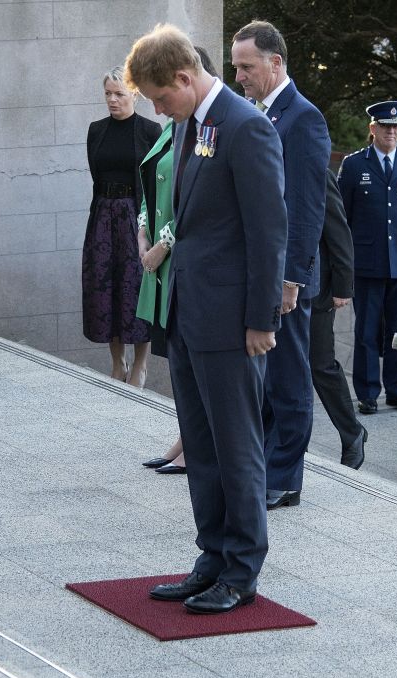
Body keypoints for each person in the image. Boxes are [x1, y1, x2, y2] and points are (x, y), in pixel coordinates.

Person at [125, 24, 287, 614]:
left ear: (185, 78)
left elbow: (269, 232)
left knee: (237, 445)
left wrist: (261, 318)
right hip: (189, 313)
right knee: (200, 441)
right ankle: (211, 558)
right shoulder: (194, 124)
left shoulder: (247, 128)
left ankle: (242, 571)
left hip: (233, 322)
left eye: (162, 98)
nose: (160, 111)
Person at [231, 21, 331, 510]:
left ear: (276, 63)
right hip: (258, 272)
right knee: (265, 380)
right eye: (235, 68)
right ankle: (270, 466)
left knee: (289, 380)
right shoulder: (256, 113)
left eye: (247, 67)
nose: (240, 77)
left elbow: (308, 209)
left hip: (287, 279)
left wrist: (292, 279)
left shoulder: (303, 119)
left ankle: (286, 476)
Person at [136, 46, 221, 477]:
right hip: (160, 264)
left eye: (162, 94)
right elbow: (152, 186)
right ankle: (183, 438)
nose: (157, 106)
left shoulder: (206, 131)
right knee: (177, 360)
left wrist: (161, 244)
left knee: (191, 361)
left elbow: (195, 204)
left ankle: (192, 444)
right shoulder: (175, 128)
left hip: (176, 258)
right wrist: (141, 230)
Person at [337, 100, 397, 414]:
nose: (391, 132)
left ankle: (396, 390)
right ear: (373, 129)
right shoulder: (353, 165)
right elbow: (341, 217)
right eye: (385, 126)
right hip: (366, 263)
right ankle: (367, 392)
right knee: (366, 331)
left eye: (396, 127)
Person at [82, 66, 162, 385]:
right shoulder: (95, 130)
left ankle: (140, 365)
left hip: (136, 214)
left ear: (134, 94)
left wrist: (149, 224)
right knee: (106, 286)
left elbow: (156, 182)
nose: (112, 100)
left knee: (137, 288)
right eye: (108, 94)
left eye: (119, 93)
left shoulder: (150, 130)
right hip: (103, 215)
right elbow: (96, 174)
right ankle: (118, 362)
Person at [311, 169, 368, 469]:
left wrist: (343, 285)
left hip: (316, 287)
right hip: (275, 285)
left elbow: (338, 230)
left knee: (320, 364)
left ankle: (352, 433)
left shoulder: (317, 172)